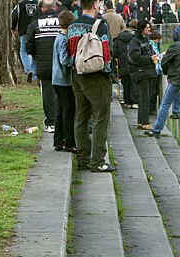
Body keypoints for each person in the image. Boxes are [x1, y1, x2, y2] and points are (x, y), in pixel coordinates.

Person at [67, 0, 116, 172]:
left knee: (81, 116)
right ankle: (97, 161)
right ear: (95, 5)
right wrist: (109, 73)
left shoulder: (72, 26)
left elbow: (68, 52)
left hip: (77, 74)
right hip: (96, 76)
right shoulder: (100, 25)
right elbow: (106, 52)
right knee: (101, 117)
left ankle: (83, 158)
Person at [145, 27, 180, 138]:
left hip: (177, 78)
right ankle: (176, 111)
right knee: (178, 84)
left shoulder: (175, 46)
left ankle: (156, 130)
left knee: (165, 103)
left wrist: (166, 72)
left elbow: (164, 62)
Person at [27, 0, 60, 133]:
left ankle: (51, 122)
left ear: (42, 9)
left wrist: (36, 55)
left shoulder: (35, 24)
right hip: (61, 63)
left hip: (43, 63)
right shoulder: (63, 22)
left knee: (47, 92)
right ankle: (61, 120)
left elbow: (29, 46)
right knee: (62, 91)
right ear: (54, 7)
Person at [52, 10, 76, 152]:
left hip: (57, 79)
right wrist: (74, 60)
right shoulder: (64, 39)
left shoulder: (58, 37)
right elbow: (64, 59)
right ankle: (69, 141)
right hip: (64, 80)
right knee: (68, 110)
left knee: (61, 110)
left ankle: (58, 140)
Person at [128, 20, 158, 130]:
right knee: (144, 98)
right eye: (147, 28)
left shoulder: (145, 40)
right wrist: (150, 59)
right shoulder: (135, 42)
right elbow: (135, 58)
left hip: (147, 72)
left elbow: (148, 53)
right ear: (142, 29)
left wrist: (154, 56)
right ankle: (144, 122)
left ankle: (142, 122)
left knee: (146, 97)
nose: (150, 29)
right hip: (141, 73)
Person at [11, 0, 39, 83]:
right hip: (36, 31)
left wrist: (13, 27)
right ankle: (34, 74)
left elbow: (14, 15)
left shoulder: (20, 4)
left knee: (23, 51)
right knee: (34, 52)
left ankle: (28, 69)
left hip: (24, 31)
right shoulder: (37, 3)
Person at [114, 20, 137, 107]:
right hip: (133, 63)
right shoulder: (135, 38)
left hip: (122, 63)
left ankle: (127, 101)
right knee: (133, 83)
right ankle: (134, 101)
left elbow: (115, 52)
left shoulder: (119, 38)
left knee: (125, 82)